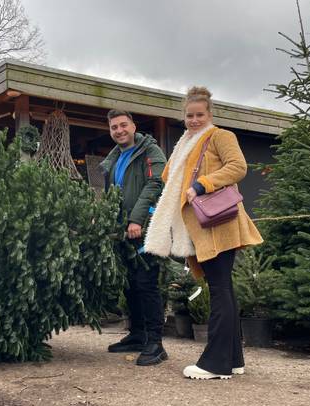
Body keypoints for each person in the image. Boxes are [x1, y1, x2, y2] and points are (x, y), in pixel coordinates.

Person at [144, 86, 263, 380]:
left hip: (219, 221)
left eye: (199, 114)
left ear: (210, 114)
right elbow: (170, 178)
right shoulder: (185, 142)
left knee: (220, 289)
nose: (194, 119)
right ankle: (233, 360)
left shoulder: (221, 136)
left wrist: (203, 183)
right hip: (202, 225)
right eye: (189, 115)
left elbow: (238, 167)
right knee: (223, 288)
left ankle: (216, 363)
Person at [100, 109, 168, 366]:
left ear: (133, 126)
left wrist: (137, 219)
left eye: (123, 125)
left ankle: (156, 343)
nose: (119, 130)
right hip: (122, 231)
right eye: (114, 127)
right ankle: (138, 334)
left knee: (146, 283)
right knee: (129, 284)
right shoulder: (115, 157)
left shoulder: (150, 151)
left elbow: (155, 185)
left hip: (145, 227)